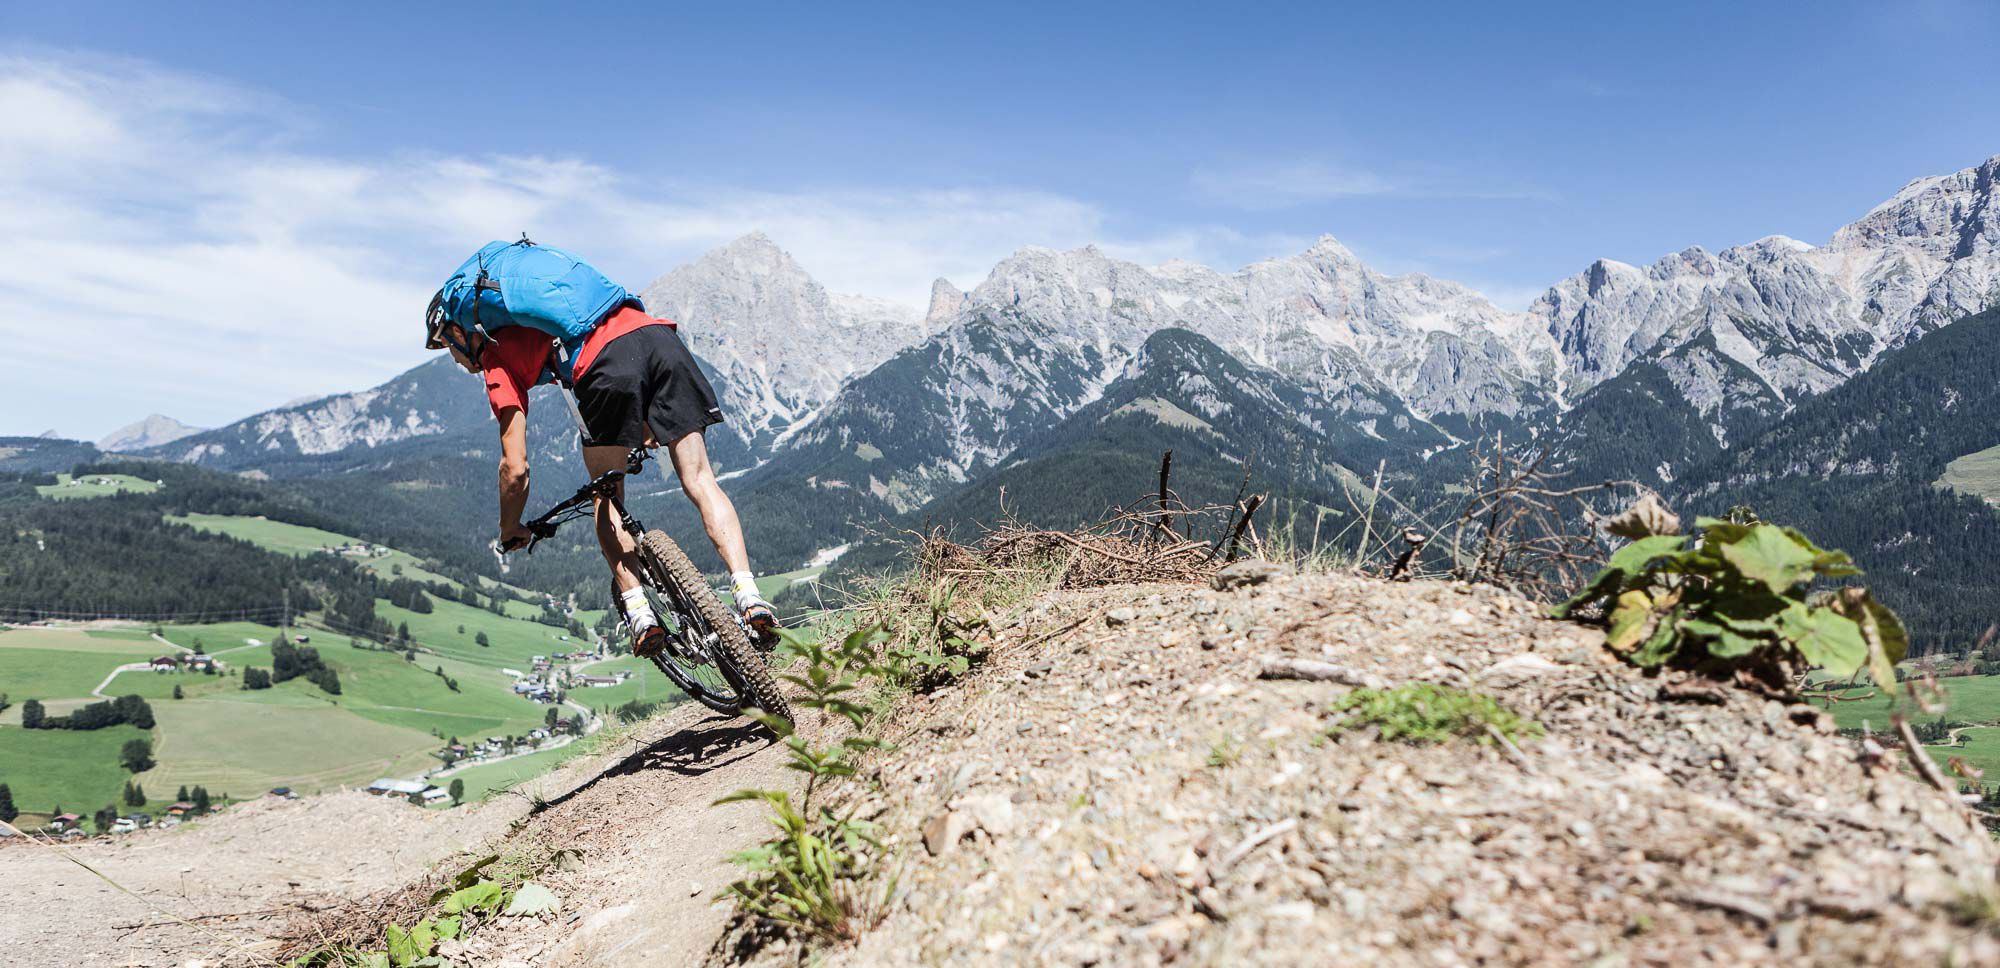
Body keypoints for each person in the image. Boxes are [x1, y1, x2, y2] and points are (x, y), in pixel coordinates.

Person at [422, 242, 777, 657]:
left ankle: (640, 613)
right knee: (701, 480)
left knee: (605, 496)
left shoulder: (496, 356)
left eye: (446, 344)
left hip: (604, 363)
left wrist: (510, 526)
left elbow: (514, 467)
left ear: (461, 331)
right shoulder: (551, 315)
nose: (452, 356)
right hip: (659, 338)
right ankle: (749, 596)